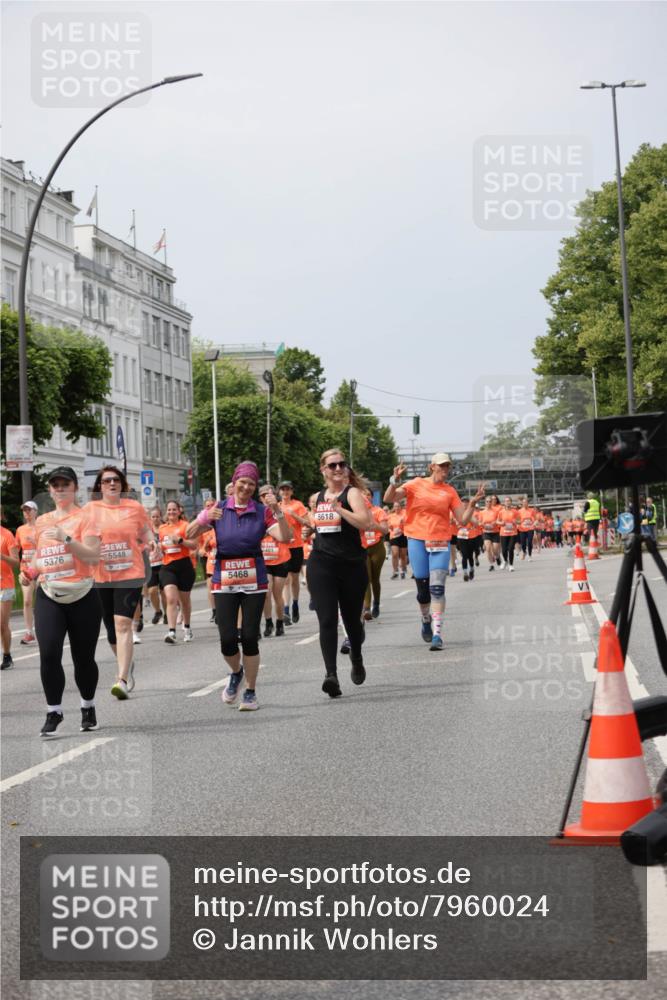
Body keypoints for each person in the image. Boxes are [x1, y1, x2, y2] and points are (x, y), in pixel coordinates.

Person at [187, 461, 291, 711]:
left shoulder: (261, 511)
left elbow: (286, 537)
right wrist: (204, 517)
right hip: (224, 580)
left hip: (254, 580)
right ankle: (236, 672)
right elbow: (190, 534)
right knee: (227, 639)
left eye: (251, 484)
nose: (246, 487)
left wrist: (277, 510)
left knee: (250, 637)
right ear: (234, 484)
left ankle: (250, 692)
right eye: (242, 482)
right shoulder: (219, 508)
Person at [19, 467, 102, 735]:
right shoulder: (43, 521)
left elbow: (92, 556)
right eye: (55, 485)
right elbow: (40, 555)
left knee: (83, 658)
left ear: (75, 488)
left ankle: (88, 706)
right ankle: (53, 711)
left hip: (82, 595)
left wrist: (66, 538)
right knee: (49, 653)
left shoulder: (87, 518)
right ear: (50, 490)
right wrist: (30, 572)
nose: (60, 489)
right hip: (50, 594)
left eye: (65, 484)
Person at [384, 453, 485, 650]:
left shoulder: (449, 491)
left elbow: (462, 520)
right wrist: (394, 480)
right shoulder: (416, 484)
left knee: (437, 588)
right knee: (423, 593)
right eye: (442, 465)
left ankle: (437, 634)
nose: (445, 469)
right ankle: (425, 618)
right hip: (417, 540)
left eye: (447, 466)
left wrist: (472, 505)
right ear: (432, 467)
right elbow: (389, 498)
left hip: (440, 541)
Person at [307, 449, 372, 697]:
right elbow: (321, 526)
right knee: (327, 620)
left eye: (341, 464)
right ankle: (331, 675)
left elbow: (365, 523)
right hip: (321, 563)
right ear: (323, 469)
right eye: (332, 465)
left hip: (351, 565)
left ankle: (356, 657)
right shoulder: (316, 498)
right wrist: (310, 529)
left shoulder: (352, 493)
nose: (337, 469)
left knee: (352, 622)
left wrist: (339, 509)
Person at [88, 466, 155, 700]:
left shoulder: (134, 507)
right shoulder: (91, 510)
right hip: (102, 576)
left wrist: (152, 543)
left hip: (130, 574)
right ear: (99, 486)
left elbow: (146, 532)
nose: (112, 483)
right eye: (107, 480)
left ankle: (122, 679)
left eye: (116, 480)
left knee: (123, 624)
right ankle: (126, 664)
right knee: (111, 630)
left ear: (122, 484)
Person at [159, 500, 198, 645]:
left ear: (179, 511)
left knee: (184, 601)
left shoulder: (186, 526)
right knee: (171, 598)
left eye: (174, 509)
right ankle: (172, 632)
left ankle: (187, 628)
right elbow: (163, 546)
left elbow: (194, 545)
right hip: (168, 566)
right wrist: (159, 547)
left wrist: (180, 541)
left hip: (184, 566)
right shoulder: (162, 528)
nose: (171, 512)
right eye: (169, 510)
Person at [258, 483, 293, 637]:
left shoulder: (281, 512)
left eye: (270, 494)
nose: (267, 498)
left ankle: (279, 622)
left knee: (277, 594)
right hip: (264, 559)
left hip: (280, 558)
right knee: (266, 593)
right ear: (260, 498)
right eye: (264, 495)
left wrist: (276, 531)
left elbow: (289, 535)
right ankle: (268, 623)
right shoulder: (257, 514)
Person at [278, 481, 310, 625]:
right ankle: (286, 610)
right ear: (279, 492)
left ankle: (295, 604)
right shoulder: (277, 506)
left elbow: (307, 523)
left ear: (291, 491)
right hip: (282, 547)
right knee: (285, 579)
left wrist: (294, 515)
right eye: (282, 489)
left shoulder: (298, 505)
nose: (285, 492)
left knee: (294, 578)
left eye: (288, 489)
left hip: (296, 546)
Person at [361, 490, 389, 620]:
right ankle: (366, 608)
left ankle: (376, 603)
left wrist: (374, 524)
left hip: (377, 547)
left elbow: (385, 530)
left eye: (367, 494)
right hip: (362, 548)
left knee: (375, 579)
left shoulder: (378, 511)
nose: (365, 497)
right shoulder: (356, 513)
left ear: (371, 497)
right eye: (362, 495)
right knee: (366, 577)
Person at [16, 500, 38, 645]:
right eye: (24, 510)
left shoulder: (41, 527)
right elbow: (15, 550)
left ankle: (48, 627)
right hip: (26, 570)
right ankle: (29, 633)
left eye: (29, 510)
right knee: (27, 601)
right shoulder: (20, 530)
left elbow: (47, 546)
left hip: (41, 569)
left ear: (36, 511)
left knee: (44, 601)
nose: (26, 513)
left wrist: (35, 542)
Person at [0, 510, 19, 670]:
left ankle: (7, 656)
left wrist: (2, 557)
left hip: (5, 584)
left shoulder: (7, 535)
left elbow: (16, 562)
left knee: (2, 624)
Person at [146, 507, 166, 624]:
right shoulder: (147, 531)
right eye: (153, 517)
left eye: (157, 516)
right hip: (151, 564)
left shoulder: (165, 528)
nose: (155, 519)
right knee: (152, 591)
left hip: (164, 563)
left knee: (164, 592)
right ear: (150, 518)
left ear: (161, 517)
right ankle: (158, 611)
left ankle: (167, 613)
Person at [497, 496, 520, 570]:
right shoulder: (501, 512)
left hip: (512, 533)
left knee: (510, 549)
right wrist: (501, 523)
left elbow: (519, 521)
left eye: (509, 501)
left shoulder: (515, 511)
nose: (507, 502)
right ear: (504, 503)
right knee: (504, 550)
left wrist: (516, 522)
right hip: (503, 533)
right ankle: (505, 561)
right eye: (506, 501)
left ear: (511, 502)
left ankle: (511, 565)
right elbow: (497, 521)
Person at [480, 496, 501, 571]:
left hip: (495, 532)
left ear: (492, 502)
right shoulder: (482, 512)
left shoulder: (496, 511)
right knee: (488, 548)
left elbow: (499, 520)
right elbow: (479, 522)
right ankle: (491, 565)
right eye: (487, 501)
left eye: (490, 501)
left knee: (495, 550)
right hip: (486, 532)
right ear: (485, 502)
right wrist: (483, 525)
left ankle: (497, 557)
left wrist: (494, 523)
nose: (488, 503)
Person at [387, 502, 408, 579]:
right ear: (393, 507)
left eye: (398, 506)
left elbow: (409, 523)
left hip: (403, 535)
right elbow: (388, 526)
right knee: (395, 553)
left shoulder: (404, 514)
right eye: (395, 506)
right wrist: (390, 528)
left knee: (403, 555)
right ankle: (395, 571)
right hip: (394, 536)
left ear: (401, 507)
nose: (397, 508)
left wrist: (403, 523)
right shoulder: (390, 516)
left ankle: (403, 570)